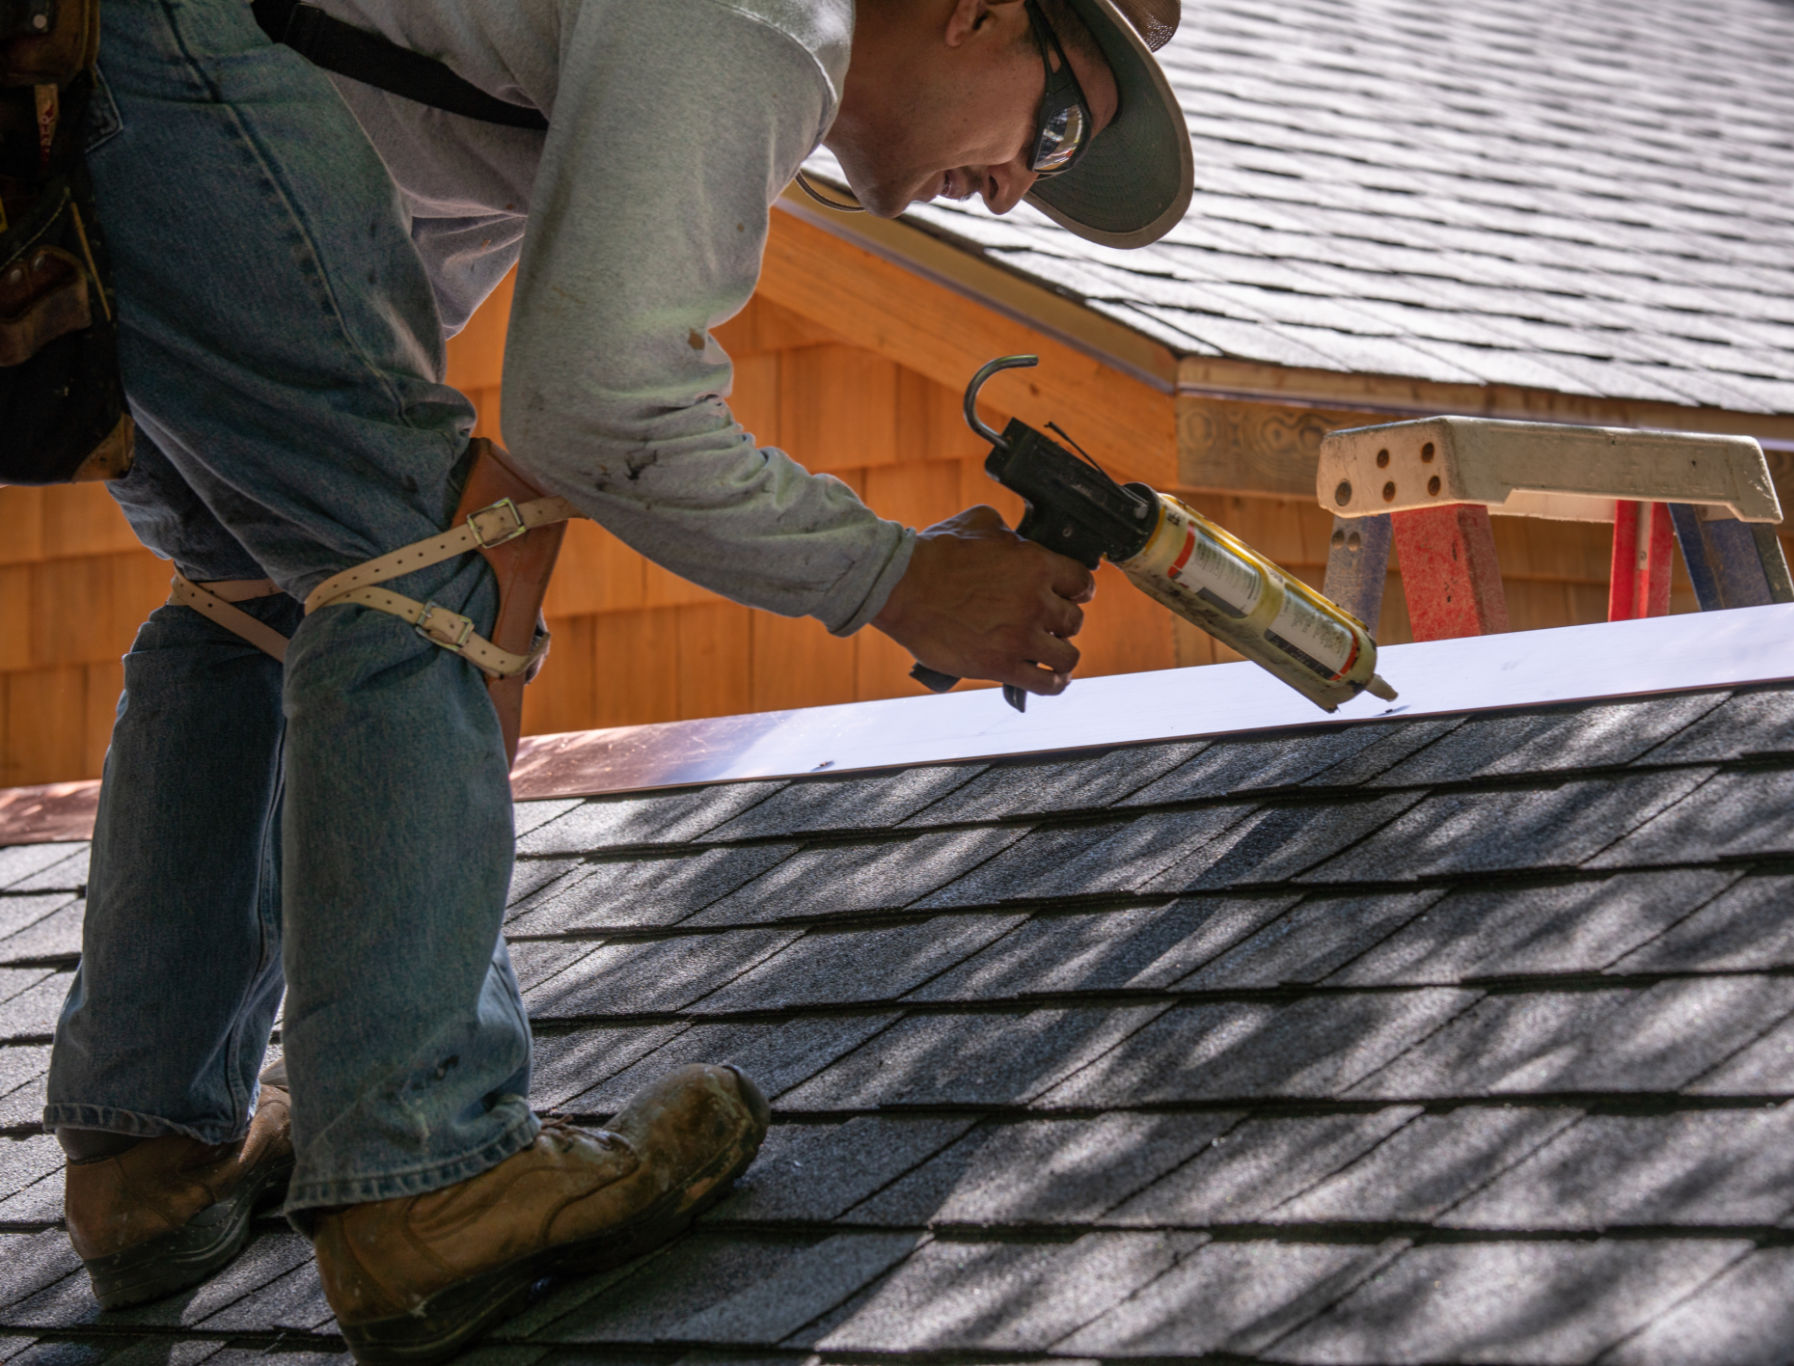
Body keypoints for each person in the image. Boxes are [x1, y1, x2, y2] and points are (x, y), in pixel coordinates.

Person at [42, 0, 1192, 1358]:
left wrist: (445, 545)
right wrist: (896, 577)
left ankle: (150, 1151)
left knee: (269, 571)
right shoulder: (771, 22)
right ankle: (428, 1168)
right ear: (982, 12)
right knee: (429, 543)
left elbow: (400, 290)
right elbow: (596, 410)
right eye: (1054, 126)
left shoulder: (638, 61)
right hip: (154, 48)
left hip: (103, 61)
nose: (1017, 189)